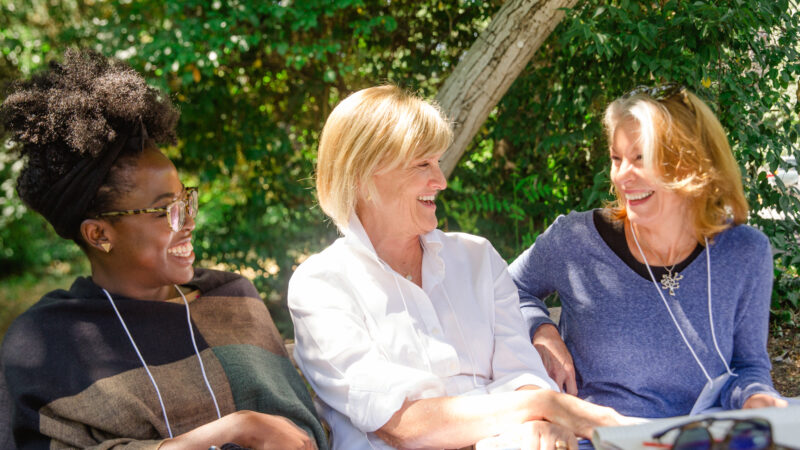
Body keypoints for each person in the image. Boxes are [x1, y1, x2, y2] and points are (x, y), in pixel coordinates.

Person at [0, 49, 326, 450]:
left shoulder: (232, 298)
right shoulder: (46, 340)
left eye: (186, 200)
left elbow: (303, 426)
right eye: (166, 211)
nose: (188, 221)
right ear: (99, 234)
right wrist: (233, 430)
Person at [288, 85, 634, 450]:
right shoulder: (322, 286)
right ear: (361, 176)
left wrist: (533, 426)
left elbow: (522, 375)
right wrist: (539, 405)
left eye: (437, 161)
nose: (441, 181)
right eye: (422, 164)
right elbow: (402, 425)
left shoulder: (477, 259)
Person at [509, 84, 788, 419]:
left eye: (641, 158)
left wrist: (756, 397)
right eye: (616, 158)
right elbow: (505, 288)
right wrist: (541, 330)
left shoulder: (744, 252)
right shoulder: (576, 240)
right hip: (597, 437)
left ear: (690, 163)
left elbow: (747, 366)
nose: (623, 175)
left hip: (702, 438)